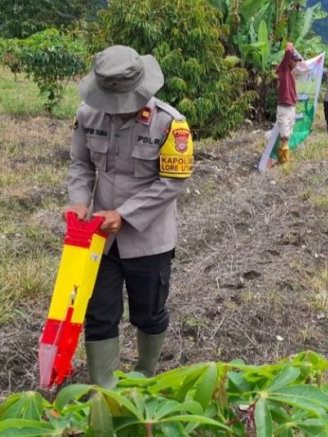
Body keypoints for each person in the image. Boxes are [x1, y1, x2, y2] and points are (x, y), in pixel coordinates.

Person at [66, 45, 194, 387]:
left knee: (148, 314)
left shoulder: (171, 124)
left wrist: (123, 214)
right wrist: (79, 201)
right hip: (101, 239)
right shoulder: (87, 116)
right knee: (99, 315)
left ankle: (144, 378)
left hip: (149, 239)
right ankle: (104, 392)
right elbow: (80, 164)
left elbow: (173, 182)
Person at [275, 42, 302, 163]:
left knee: (288, 133)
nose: (296, 63)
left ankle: (282, 156)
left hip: (291, 106)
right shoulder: (283, 68)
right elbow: (287, 51)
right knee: (285, 135)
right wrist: (291, 44)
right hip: (284, 107)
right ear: (289, 60)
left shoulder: (290, 72)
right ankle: (283, 160)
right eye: (295, 60)